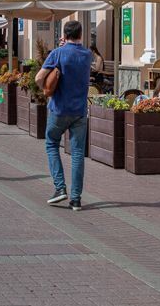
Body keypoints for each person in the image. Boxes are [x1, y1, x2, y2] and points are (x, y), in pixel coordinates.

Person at [36, 21, 93, 212]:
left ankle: (60, 187)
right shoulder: (87, 55)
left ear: (64, 34)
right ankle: (76, 199)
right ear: (81, 34)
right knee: (77, 154)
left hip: (59, 109)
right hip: (79, 111)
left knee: (51, 143)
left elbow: (38, 78)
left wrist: (45, 89)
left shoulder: (57, 53)